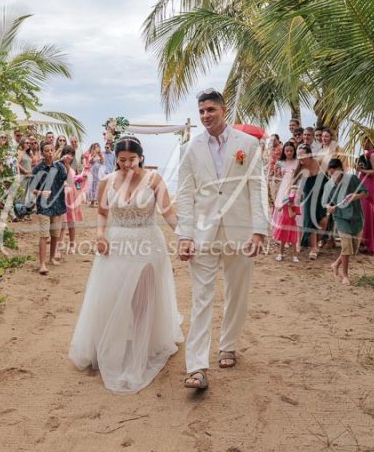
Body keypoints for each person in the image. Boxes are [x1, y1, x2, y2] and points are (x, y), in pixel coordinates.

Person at [69, 136, 182, 394]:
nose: (127, 165)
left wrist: (184, 235)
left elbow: (167, 213)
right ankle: (111, 345)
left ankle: (138, 356)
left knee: (141, 301)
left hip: (147, 244)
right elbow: (101, 212)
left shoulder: (154, 180)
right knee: (113, 297)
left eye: (132, 160)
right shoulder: (108, 181)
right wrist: (99, 235)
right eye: (122, 161)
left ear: (140, 156)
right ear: (116, 159)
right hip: (116, 244)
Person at [177, 89, 268, 389]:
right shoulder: (192, 148)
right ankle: (197, 367)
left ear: (224, 110)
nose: (205, 116)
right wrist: (185, 235)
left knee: (236, 291)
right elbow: (186, 194)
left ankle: (228, 345)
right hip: (203, 232)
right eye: (201, 111)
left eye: (210, 110)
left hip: (240, 230)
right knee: (201, 298)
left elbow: (256, 188)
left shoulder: (249, 144)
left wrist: (259, 230)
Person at [324, 159, 368, 285]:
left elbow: (365, 193)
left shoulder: (352, 179)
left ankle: (335, 264)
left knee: (352, 249)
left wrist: (355, 196)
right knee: (346, 246)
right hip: (340, 217)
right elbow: (326, 203)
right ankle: (345, 276)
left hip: (356, 217)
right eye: (331, 174)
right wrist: (329, 208)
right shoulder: (329, 185)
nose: (334, 176)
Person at [29, 140, 68, 275]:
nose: (50, 153)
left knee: (55, 235)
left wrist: (66, 164)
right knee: (44, 235)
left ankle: (51, 258)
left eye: (51, 150)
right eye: (47, 151)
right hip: (44, 206)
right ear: (42, 153)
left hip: (58, 204)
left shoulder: (60, 166)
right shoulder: (38, 169)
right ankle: (42, 264)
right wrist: (41, 192)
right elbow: (31, 188)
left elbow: (65, 179)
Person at [297, 144, 328, 260]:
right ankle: (313, 248)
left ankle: (317, 242)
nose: (300, 158)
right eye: (298, 156)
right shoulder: (300, 166)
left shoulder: (318, 162)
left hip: (322, 192)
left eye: (302, 155)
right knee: (311, 221)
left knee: (324, 221)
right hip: (309, 195)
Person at [271, 142, 300, 262]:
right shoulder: (281, 162)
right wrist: (276, 171)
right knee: (281, 210)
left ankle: (292, 238)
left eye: (291, 151)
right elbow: (276, 175)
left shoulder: (297, 162)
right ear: (284, 151)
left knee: (291, 212)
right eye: (286, 151)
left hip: (293, 186)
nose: (289, 153)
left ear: (294, 151)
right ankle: (281, 236)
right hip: (283, 186)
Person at [357, 137, 374, 254]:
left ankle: (368, 244)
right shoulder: (371, 154)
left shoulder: (372, 155)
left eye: (364, 141)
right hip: (367, 184)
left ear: (370, 142)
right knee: (367, 214)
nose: (362, 144)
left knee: (367, 215)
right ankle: (365, 242)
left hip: (368, 186)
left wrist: (362, 171)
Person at [60, 145, 84, 256]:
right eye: (67, 153)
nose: (69, 156)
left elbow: (74, 180)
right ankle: (59, 245)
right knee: (61, 223)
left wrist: (67, 164)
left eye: (71, 154)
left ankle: (72, 244)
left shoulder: (72, 168)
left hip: (71, 196)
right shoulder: (59, 166)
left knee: (71, 222)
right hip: (61, 195)